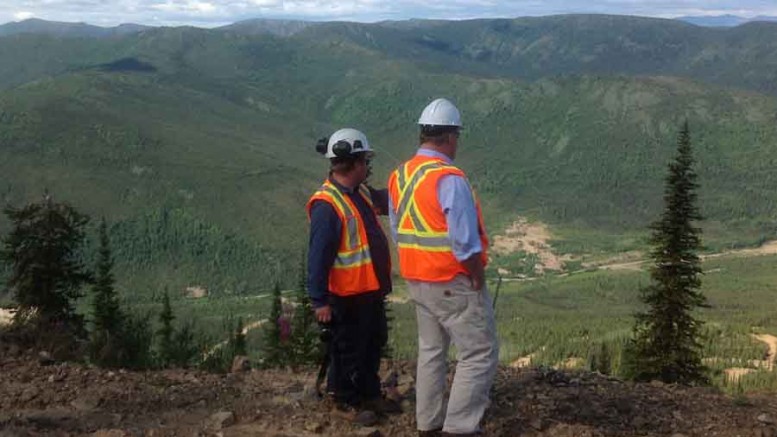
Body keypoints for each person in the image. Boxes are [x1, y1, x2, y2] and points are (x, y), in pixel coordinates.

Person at [387, 99, 499, 436]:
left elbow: (398, 231)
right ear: (450, 137)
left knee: (432, 351)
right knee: (479, 351)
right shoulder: (449, 178)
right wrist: (477, 276)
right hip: (451, 279)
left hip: (417, 278)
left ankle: (428, 423)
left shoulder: (400, 176)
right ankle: (460, 428)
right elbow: (464, 242)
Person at [306, 128, 395, 426]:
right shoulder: (327, 205)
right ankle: (341, 399)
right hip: (346, 297)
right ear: (355, 163)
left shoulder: (360, 193)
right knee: (346, 350)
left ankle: (369, 394)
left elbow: (387, 201)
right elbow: (318, 257)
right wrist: (320, 301)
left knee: (372, 343)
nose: (368, 167)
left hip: (369, 291)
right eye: (365, 161)